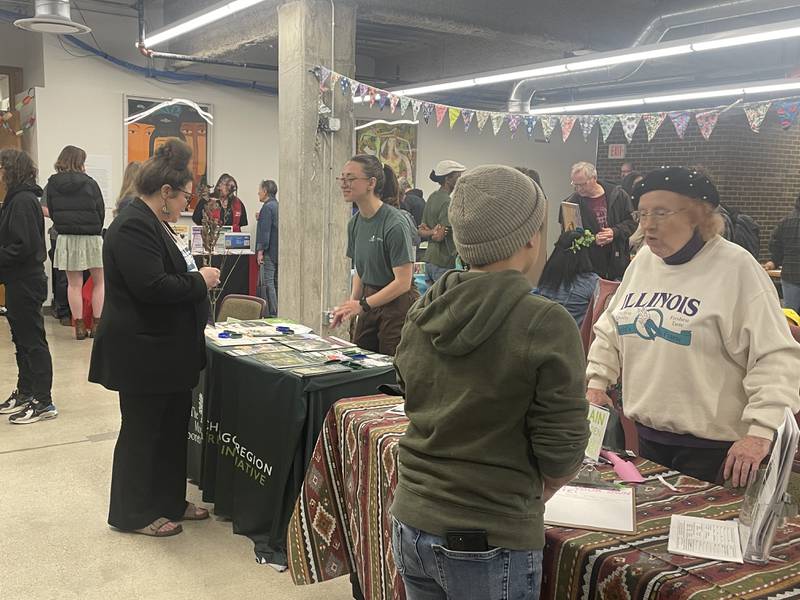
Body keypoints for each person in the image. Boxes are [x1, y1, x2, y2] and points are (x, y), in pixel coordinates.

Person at [391, 165, 589, 600]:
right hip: (490, 535)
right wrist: (542, 488)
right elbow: (564, 445)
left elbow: (412, 394)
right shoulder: (545, 321)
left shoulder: (426, 306)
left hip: (412, 519)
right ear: (531, 237)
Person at [586, 167, 800, 486]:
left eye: (661, 212)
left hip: (717, 450)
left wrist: (760, 432)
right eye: (642, 213)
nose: (648, 224)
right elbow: (612, 327)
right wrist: (597, 381)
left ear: (699, 214)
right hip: (647, 440)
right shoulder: (643, 263)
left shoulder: (737, 269)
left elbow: (775, 358)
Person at [88, 138, 220, 537]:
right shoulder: (132, 225)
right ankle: (131, 513)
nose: (186, 203)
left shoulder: (156, 224)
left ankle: (168, 500)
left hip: (167, 352)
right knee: (143, 434)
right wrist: (199, 281)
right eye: (184, 196)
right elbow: (153, 287)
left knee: (170, 432)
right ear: (165, 192)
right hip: (142, 352)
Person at [331, 154, 417, 355]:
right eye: (342, 178)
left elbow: (403, 282)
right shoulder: (354, 224)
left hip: (397, 301)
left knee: (389, 365)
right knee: (360, 357)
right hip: (369, 300)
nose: (344, 184)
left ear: (371, 183)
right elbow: (361, 269)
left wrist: (362, 304)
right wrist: (351, 306)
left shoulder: (394, 223)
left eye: (350, 179)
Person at [0, 149, 57, 424]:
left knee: (33, 341)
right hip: (17, 279)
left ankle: (43, 401)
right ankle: (25, 391)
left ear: (10, 170)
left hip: (26, 280)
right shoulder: (16, 200)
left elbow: (22, 246)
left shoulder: (22, 201)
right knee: (21, 340)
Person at [46, 145, 105, 340]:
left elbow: (52, 211)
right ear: (80, 162)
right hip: (91, 236)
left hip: (67, 237)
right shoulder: (90, 183)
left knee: (73, 285)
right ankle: (97, 325)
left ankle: (78, 326)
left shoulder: (53, 184)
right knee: (99, 281)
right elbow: (100, 209)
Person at [564, 161, 635, 280]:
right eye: (575, 184)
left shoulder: (618, 195)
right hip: (587, 267)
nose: (578, 189)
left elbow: (631, 222)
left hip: (616, 260)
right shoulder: (571, 202)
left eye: (582, 184)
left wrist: (615, 231)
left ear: (594, 178)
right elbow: (568, 237)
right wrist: (593, 239)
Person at [534, 230, 600, 327]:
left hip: (544, 336)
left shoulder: (547, 279)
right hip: (575, 339)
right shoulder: (591, 282)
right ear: (584, 254)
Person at [419, 160, 465, 283]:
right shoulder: (447, 202)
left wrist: (429, 231)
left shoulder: (432, 197)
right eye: (457, 177)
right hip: (442, 263)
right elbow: (439, 237)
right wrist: (434, 232)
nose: (459, 180)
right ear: (448, 179)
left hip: (429, 261)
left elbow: (421, 230)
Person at [39, 186, 71, 326]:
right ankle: (63, 311)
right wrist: (61, 216)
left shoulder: (85, 183)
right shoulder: (53, 184)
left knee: (74, 277)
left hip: (77, 234)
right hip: (58, 234)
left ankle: (73, 312)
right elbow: (43, 208)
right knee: (62, 275)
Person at [765, 194, 800, 312]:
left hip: (789, 275)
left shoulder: (785, 221)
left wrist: (774, 261)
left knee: (791, 315)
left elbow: (775, 244)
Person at [255, 179, 279, 317]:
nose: (258, 193)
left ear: (265, 191)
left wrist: (260, 252)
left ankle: (273, 312)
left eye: (260, 190)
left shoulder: (267, 208)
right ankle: (278, 310)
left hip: (269, 251)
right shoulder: (277, 206)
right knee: (276, 282)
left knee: (268, 282)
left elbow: (265, 232)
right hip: (278, 251)